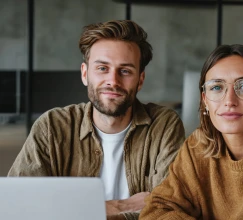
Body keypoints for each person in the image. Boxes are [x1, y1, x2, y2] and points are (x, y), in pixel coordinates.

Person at [8, 20, 185, 220]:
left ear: (140, 80)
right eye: (102, 68)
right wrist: (120, 206)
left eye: (125, 71)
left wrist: (69, 211)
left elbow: (170, 207)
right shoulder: (52, 126)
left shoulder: (163, 124)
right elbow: (19, 204)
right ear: (85, 74)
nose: (113, 81)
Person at [140, 44, 243, 219]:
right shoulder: (197, 146)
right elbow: (157, 210)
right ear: (205, 100)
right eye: (217, 87)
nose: (229, 101)